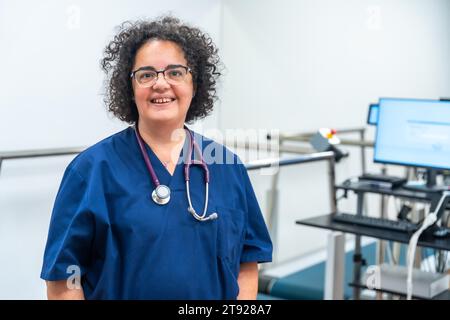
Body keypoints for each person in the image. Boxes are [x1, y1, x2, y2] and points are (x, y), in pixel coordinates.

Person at [40, 16, 272, 300]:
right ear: (131, 88)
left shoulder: (228, 166)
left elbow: (247, 261)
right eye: (146, 74)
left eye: (175, 72)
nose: (160, 84)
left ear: (195, 84)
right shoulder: (91, 170)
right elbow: (65, 278)